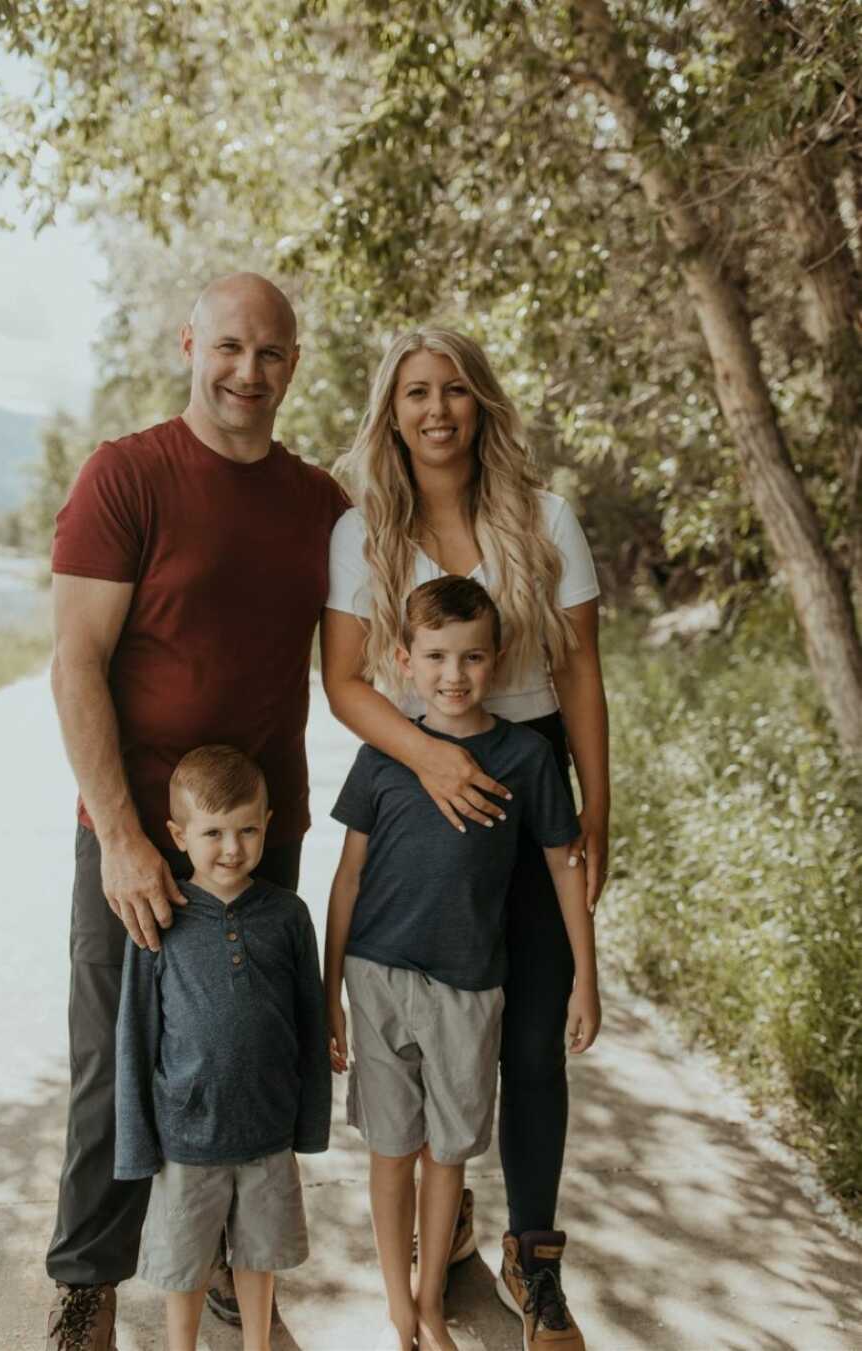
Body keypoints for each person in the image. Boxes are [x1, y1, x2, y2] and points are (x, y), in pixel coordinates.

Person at [45, 272, 347, 1351]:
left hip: (263, 834)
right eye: (228, 347)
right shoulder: (126, 476)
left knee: (246, 1056)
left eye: (269, 354)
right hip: (136, 835)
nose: (247, 373)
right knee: (117, 1060)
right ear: (188, 345)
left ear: (293, 365)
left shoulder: (320, 504)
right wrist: (123, 836)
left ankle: (230, 1268)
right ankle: (88, 1280)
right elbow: (75, 662)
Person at [321, 329, 610, 1350]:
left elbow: (578, 671)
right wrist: (431, 760)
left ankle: (537, 1261)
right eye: (414, 393)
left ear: (481, 402)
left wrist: (597, 804)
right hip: (416, 756)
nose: (436, 408)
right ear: (390, 412)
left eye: (453, 390)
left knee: (530, 1035)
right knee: (422, 1003)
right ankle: (433, 1245)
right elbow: (346, 680)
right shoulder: (362, 535)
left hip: (526, 764)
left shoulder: (545, 519)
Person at [115, 745, 330, 1351]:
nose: (231, 848)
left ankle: (257, 1344)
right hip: (187, 1136)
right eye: (213, 833)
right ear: (179, 835)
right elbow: (135, 1036)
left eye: (247, 830)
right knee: (182, 1266)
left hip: (267, 1131)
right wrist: (136, 1145)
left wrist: (309, 1125)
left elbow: (310, 1027)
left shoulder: (289, 916)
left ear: (267, 826)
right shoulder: (159, 920)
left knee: (258, 1260)